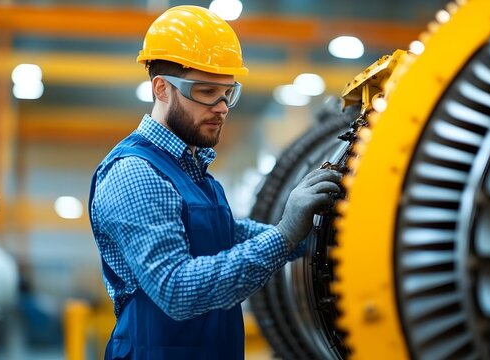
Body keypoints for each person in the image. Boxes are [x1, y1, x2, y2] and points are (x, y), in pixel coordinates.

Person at [88, 5, 342, 360]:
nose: (222, 107)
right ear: (161, 89)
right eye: (206, 92)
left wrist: (311, 228)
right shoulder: (135, 173)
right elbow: (176, 289)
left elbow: (226, 234)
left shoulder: (192, 169)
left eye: (228, 93)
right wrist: (284, 234)